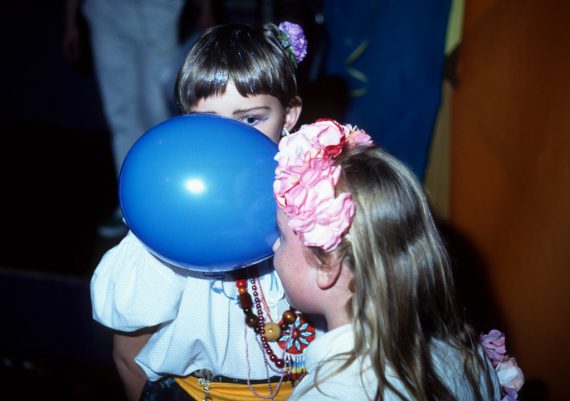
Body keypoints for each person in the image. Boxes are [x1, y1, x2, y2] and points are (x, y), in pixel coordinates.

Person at [91, 21, 318, 401]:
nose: (228, 141)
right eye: (209, 122)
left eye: (250, 119)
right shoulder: (169, 221)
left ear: (290, 114)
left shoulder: (321, 208)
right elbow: (129, 354)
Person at [271, 119, 524, 400]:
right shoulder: (465, 355)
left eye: (281, 236)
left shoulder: (330, 394)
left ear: (327, 265)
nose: (273, 245)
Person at [62, 0, 215, 238]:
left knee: (156, 110)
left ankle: (168, 197)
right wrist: (71, 21)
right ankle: (130, 202)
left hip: (155, 9)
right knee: (119, 111)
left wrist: (206, 8)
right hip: (104, 9)